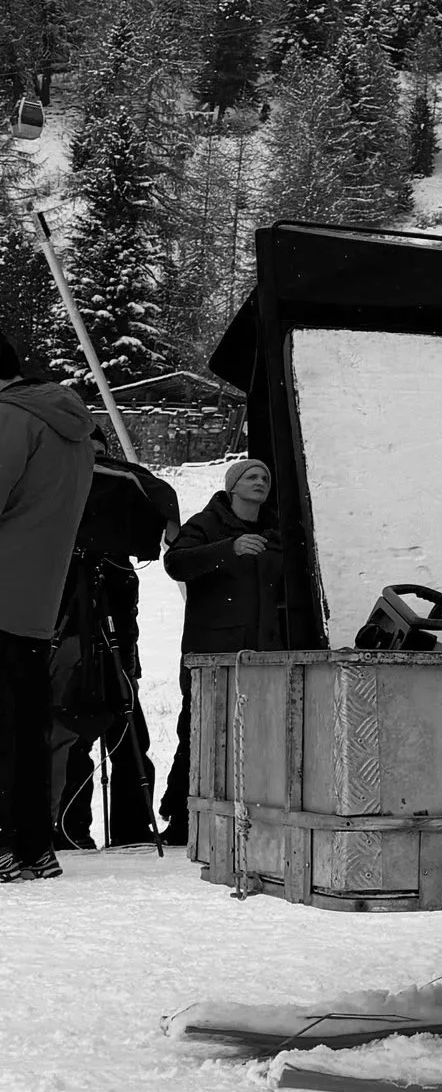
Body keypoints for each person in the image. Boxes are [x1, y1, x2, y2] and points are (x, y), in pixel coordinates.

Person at [0, 327, 100, 884]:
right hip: (37, 599)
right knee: (26, 726)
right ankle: (34, 845)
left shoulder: (10, 417)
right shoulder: (71, 428)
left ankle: (4, 846)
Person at [53, 444, 179, 846]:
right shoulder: (59, 545)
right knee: (73, 740)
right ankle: (70, 829)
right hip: (73, 656)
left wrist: (131, 666)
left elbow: (127, 618)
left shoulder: (119, 562)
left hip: (117, 655)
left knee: (130, 739)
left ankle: (131, 828)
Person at [160, 456, 285, 841]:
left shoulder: (276, 530)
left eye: (265, 477)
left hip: (263, 652)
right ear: (232, 486)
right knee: (201, 734)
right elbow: (175, 563)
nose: (260, 482)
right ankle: (182, 818)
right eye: (251, 476)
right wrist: (228, 549)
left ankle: (246, 819)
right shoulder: (206, 524)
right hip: (212, 650)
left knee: (259, 737)